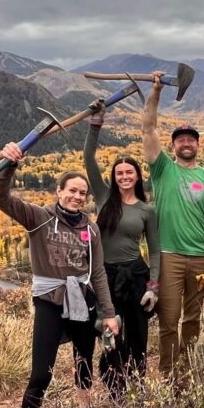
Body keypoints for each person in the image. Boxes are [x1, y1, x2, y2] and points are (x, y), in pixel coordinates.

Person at [0, 152, 119, 408]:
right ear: (59, 191)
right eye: (72, 190)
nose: (77, 196)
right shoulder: (40, 217)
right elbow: (0, 199)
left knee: (83, 358)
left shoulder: (91, 230)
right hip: (49, 301)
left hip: (82, 300)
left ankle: (84, 407)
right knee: (41, 373)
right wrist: (9, 165)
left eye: (82, 193)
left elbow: (98, 272)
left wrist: (108, 312)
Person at [141, 71, 204, 376]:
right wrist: (156, 92)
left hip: (201, 258)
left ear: (198, 145)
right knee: (168, 319)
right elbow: (148, 127)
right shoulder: (162, 169)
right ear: (174, 146)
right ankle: (167, 373)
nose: (186, 143)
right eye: (180, 140)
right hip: (169, 256)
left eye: (191, 139)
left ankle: (185, 372)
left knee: (192, 318)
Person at [83, 104, 160, 391]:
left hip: (135, 275)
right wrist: (96, 123)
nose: (124, 176)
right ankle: (115, 386)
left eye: (129, 172)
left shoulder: (146, 210)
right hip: (105, 276)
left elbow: (155, 251)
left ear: (138, 176)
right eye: (119, 173)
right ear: (114, 177)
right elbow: (88, 157)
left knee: (138, 334)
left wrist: (153, 287)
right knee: (108, 332)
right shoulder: (103, 197)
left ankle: (138, 385)